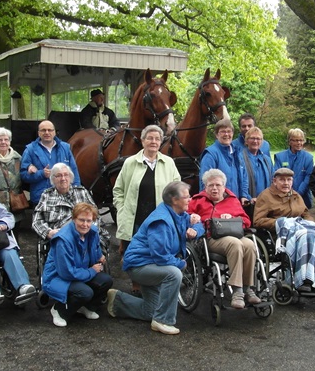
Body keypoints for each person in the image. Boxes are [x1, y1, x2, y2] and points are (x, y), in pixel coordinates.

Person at [106, 182, 204, 335]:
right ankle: (163, 320)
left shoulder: (178, 214)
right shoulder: (161, 221)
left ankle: (118, 301)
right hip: (139, 266)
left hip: (151, 264)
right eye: (186, 197)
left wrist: (194, 229)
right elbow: (161, 257)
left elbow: (199, 224)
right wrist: (180, 263)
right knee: (174, 273)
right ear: (174, 200)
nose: (190, 199)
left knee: (150, 311)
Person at [253, 168, 315, 294]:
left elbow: (305, 213)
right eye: (282, 180)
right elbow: (258, 221)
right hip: (278, 236)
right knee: (306, 235)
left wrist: (309, 223)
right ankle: (304, 279)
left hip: (300, 230)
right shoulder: (266, 196)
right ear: (274, 181)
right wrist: (281, 223)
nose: (286, 183)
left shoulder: (295, 195)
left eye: (289, 180)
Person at [188, 169, 261, 309]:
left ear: (224, 186)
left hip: (235, 236)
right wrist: (194, 219)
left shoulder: (232, 200)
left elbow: (246, 221)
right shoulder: (198, 201)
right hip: (211, 239)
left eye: (218, 185)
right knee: (235, 244)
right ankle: (237, 291)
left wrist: (233, 219)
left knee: (250, 244)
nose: (214, 188)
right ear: (205, 187)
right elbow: (187, 217)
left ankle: (247, 288)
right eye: (211, 185)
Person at [113, 124, 181, 258]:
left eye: (157, 139)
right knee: (135, 260)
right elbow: (118, 190)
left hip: (159, 222)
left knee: (157, 259)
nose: (153, 142)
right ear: (143, 141)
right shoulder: (130, 163)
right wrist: (122, 209)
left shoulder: (169, 163)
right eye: (150, 138)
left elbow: (177, 191)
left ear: (161, 142)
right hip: (135, 221)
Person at [42, 203, 113, 327]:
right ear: (74, 218)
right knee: (85, 292)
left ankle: (84, 307)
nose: (85, 224)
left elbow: (95, 249)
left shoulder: (92, 232)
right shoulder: (63, 240)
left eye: (89, 221)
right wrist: (91, 271)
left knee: (106, 281)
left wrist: (99, 256)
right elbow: (67, 273)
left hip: (80, 271)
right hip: (57, 277)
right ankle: (59, 310)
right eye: (81, 220)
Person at [32, 162, 109, 248]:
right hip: (61, 237)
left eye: (66, 175)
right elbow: (36, 220)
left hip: (85, 234)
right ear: (53, 179)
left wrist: (88, 229)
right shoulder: (47, 195)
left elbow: (96, 215)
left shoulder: (82, 192)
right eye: (59, 175)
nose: (63, 178)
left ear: (70, 177)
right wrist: (48, 232)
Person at [20, 120, 81, 206]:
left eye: (50, 130)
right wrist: (41, 174)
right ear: (38, 133)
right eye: (43, 130)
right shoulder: (30, 150)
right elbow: (23, 176)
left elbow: (74, 172)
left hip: (65, 198)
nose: (47, 132)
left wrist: (76, 192)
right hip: (41, 200)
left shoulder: (65, 148)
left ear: (55, 132)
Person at [199, 119, 249, 204]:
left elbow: (244, 177)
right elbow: (204, 181)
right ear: (216, 135)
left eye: (229, 131)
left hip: (236, 202)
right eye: (223, 131)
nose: (226, 134)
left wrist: (244, 195)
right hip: (219, 203)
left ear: (233, 134)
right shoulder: (211, 154)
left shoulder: (237, 152)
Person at [274, 128, 315, 208]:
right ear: (290, 141)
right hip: (283, 197)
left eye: (301, 140)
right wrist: (286, 192)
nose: (299, 143)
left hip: (303, 198)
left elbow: (308, 177)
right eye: (296, 140)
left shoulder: (308, 158)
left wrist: (297, 193)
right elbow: (276, 175)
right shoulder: (280, 157)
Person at [240, 126, 272, 205]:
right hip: (248, 203)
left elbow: (273, 180)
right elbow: (239, 181)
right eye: (252, 138)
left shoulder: (267, 159)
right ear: (246, 141)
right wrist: (249, 198)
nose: (255, 141)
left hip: (266, 202)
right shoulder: (240, 158)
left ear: (262, 142)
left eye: (258, 139)